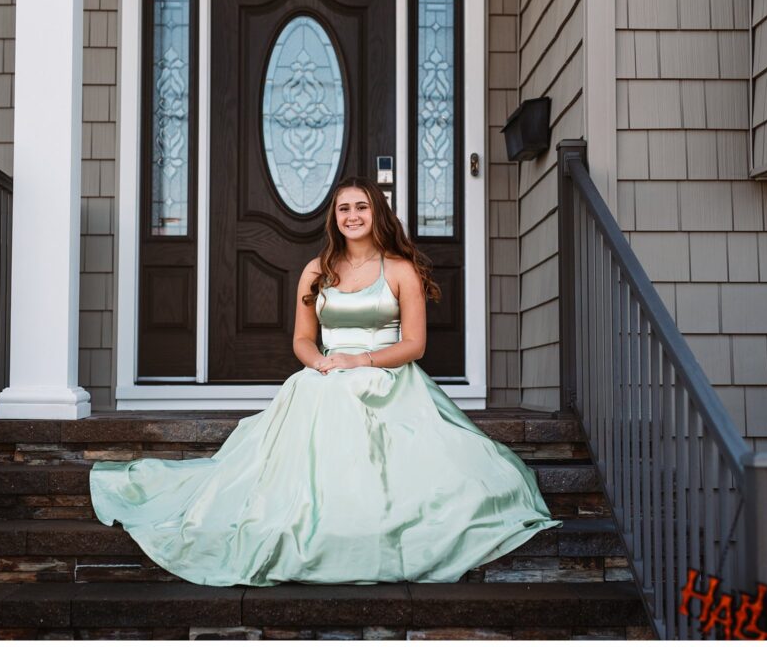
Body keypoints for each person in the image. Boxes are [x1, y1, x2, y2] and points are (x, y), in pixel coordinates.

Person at [90, 176, 561, 586]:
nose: (352, 215)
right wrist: (320, 365)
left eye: (361, 206)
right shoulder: (317, 271)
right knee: (319, 398)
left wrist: (363, 361)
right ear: (334, 218)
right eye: (344, 209)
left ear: (377, 214)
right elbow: (301, 339)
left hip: (387, 375)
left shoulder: (399, 271)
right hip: (327, 372)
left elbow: (414, 344)